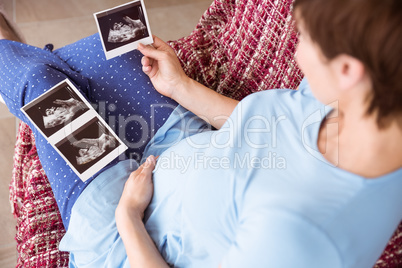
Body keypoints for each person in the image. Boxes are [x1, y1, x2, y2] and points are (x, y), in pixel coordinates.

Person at [0, 0, 401, 267]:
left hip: (129, 235)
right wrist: (180, 88)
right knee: (108, 49)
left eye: (306, 39)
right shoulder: (369, 101)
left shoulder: (299, 238)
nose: (296, 52)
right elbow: (273, 130)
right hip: (182, 144)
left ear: (349, 69)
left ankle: (10, 56)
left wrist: (129, 216)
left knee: (41, 83)